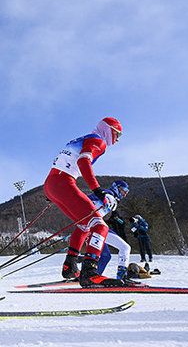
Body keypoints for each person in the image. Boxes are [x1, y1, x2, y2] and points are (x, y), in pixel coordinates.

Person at [44, 117, 124, 287]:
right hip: (64, 182)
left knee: (84, 225)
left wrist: (54, 191)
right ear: (108, 129)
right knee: (100, 226)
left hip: (52, 183)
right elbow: (83, 161)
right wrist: (97, 190)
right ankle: (90, 273)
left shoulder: (82, 138)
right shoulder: (98, 141)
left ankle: (70, 267)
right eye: (117, 134)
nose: (117, 140)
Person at [92, 180, 134, 281]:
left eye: (127, 192)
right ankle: (121, 277)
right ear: (117, 187)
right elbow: (91, 203)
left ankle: (92, 277)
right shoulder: (109, 194)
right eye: (124, 191)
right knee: (125, 248)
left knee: (105, 256)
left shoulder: (111, 200)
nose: (125, 194)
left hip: (94, 226)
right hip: (95, 226)